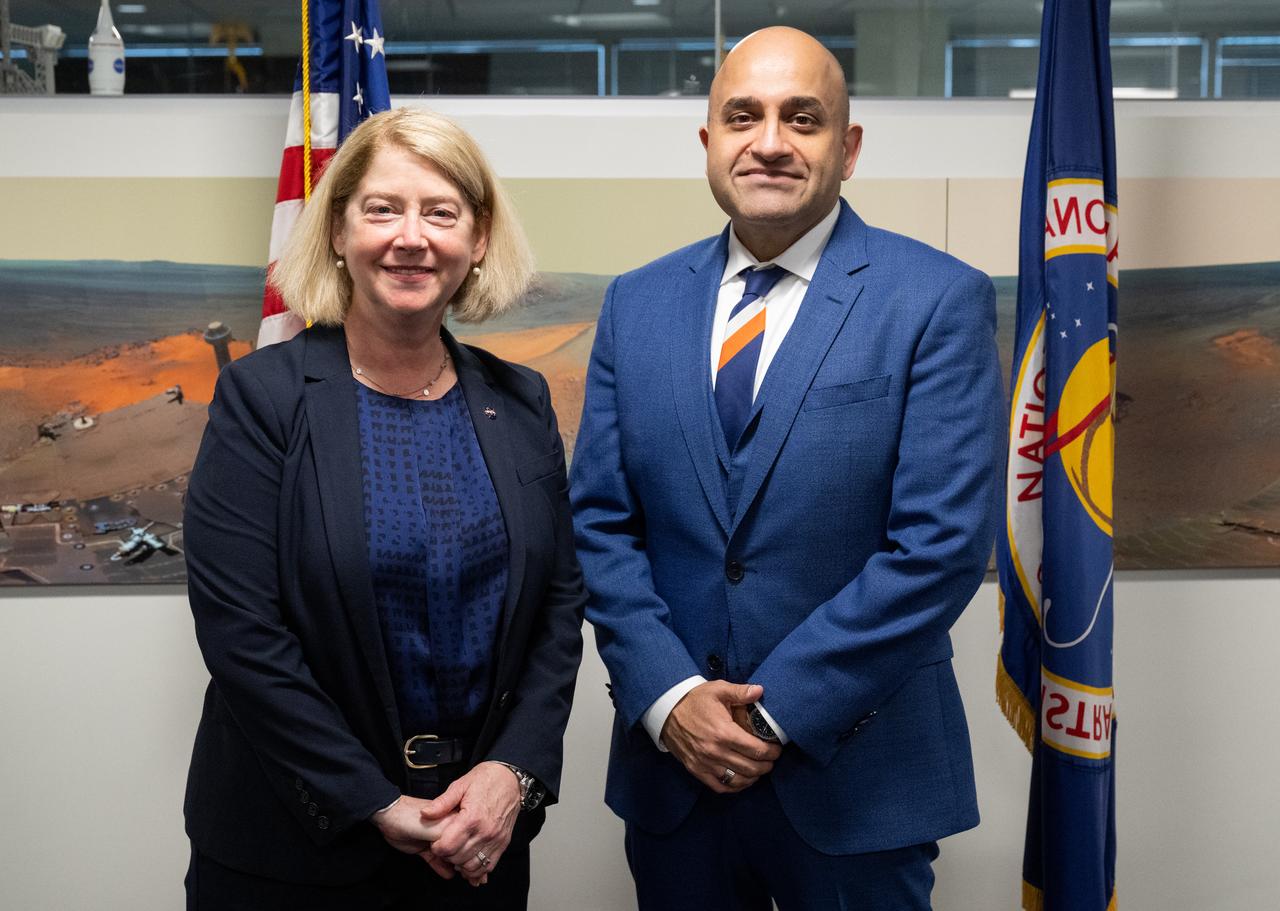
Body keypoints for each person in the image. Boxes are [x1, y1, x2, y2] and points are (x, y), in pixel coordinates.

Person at [570, 27, 1003, 910]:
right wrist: (671, 696)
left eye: (801, 118)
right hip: (674, 782)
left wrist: (774, 714)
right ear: (708, 143)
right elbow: (601, 524)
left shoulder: (936, 300)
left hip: (858, 781)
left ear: (846, 149)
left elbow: (941, 546)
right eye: (744, 116)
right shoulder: (636, 303)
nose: (770, 141)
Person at [182, 107, 586, 910]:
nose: (412, 236)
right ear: (337, 231)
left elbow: (558, 605)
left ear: (477, 241)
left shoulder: (520, 399)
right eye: (382, 208)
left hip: (477, 845)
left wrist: (513, 774)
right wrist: (376, 799)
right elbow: (242, 633)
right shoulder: (262, 399)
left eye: (442, 212)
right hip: (294, 854)